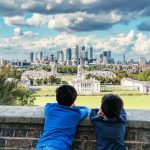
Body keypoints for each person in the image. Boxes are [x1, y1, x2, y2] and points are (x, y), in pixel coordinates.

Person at [36, 85, 89, 150]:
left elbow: (48, 105)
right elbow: (86, 110)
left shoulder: (50, 109)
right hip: (58, 147)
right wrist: (73, 107)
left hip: (41, 145)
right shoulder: (75, 114)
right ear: (73, 100)